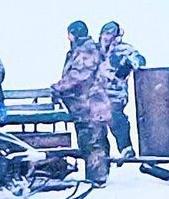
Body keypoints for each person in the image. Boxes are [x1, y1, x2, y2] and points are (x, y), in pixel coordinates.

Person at [53, 20, 115, 187]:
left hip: (89, 103)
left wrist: (59, 87)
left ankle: (98, 176)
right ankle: (96, 174)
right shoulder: (81, 50)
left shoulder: (86, 50)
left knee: (93, 139)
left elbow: (79, 75)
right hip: (83, 104)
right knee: (90, 138)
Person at [98, 22, 147, 159]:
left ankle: (125, 148)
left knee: (114, 115)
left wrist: (125, 67)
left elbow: (140, 61)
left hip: (116, 93)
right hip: (98, 94)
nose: (107, 37)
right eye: (105, 34)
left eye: (110, 34)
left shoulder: (124, 49)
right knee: (95, 123)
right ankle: (101, 156)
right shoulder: (97, 51)